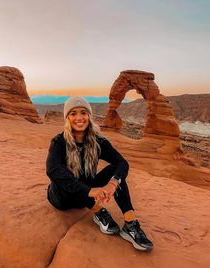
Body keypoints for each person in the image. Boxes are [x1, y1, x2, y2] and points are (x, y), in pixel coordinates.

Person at [46, 96, 153, 251]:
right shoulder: (59, 142)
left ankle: (130, 224)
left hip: (88, 193)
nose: (79, 118)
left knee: (115, 172)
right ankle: (98, 210)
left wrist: (112, 184)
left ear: (89, 116)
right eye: (73, 113)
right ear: (67, 118)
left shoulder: (98, 141)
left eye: (83, 112)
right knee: (63, 174)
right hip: (62, 197)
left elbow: (122, 163)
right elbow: (52, 170)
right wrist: (90, 190)